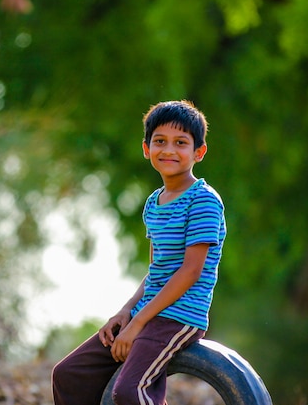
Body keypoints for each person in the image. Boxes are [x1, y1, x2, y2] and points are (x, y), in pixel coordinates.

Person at [51, 100, 227, 405]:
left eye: (180, 143)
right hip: (149, 311)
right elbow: (156, 272)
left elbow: (190, 271)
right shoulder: (153, 203)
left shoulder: (204, 201)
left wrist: (138, 324)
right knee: (69, 373)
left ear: (199, 152)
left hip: (180, 316)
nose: (169, 150)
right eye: (160, 141)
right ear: (146, 148)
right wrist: (125, 313)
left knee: (131, 391)